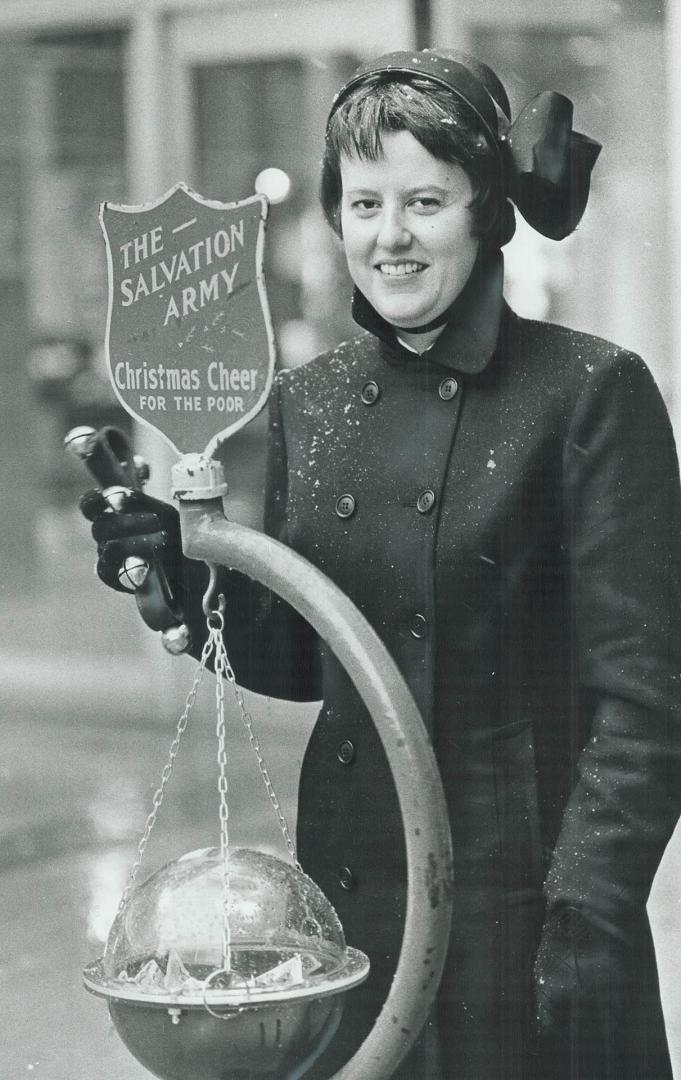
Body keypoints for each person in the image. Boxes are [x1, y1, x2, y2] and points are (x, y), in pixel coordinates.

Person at [80, 49, 681, 1079]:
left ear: (487, 210)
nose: (388, 236)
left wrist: (586, 909)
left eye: (425, 201)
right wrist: (183, 578)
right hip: (356, 894)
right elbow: (306, 655)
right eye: (364, 202)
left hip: (529, 911)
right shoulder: (310, 399)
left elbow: (649, 696)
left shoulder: (589, 393)